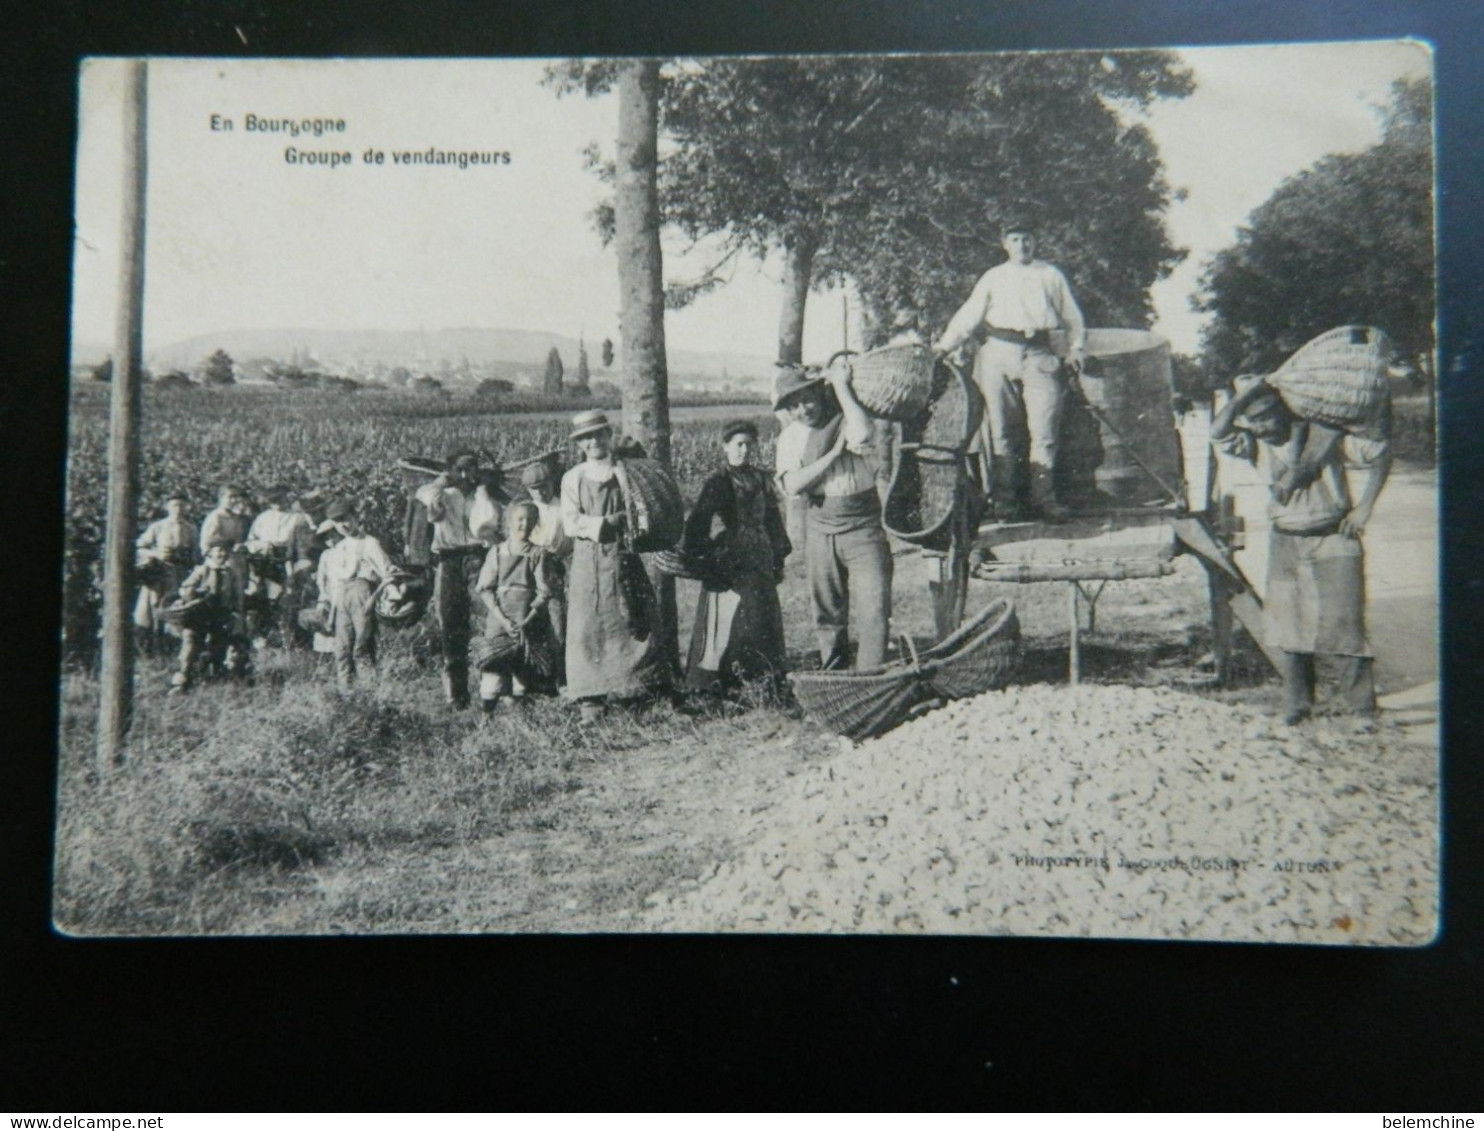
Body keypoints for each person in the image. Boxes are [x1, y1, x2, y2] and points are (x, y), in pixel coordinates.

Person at [1210, 378, 1392, 725]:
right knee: (1287, 622)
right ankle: (1298, 704)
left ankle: (1361, 709)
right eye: (1254, 420)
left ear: (1284, 412)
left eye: (1267, 416)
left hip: (1334, 536)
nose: (1262, 426)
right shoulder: (1253, 445)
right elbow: (1218, 431)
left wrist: (1365, 507)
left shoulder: (1324, 439)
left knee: (1344, 621)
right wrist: (1246, 393)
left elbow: (1380, 452)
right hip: (1286, 539)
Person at [933, 217, 1087, 521]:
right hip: (998, 353)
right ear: (1005, 244)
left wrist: (1077, 346)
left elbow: (1072, 316)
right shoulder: (993, 277)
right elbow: (968, 316)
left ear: (1035, 241)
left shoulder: (1050, 274)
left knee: (1044, 431)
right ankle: (1004, 501)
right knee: (1001, 430)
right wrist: (943, 346)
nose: (1022, 245)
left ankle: (1044, 499)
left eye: (1027, 238)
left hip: (1039, 353)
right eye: (1015, 239)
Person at [774, 363, 893, 671]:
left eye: (808, 399)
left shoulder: (846, 419)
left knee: (874, 604)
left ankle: (871, 676)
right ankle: (835, 676)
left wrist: (841, 385)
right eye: (794, 404)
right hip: (820, 525)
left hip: (863, 525)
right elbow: (793, 485)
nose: (803, 409)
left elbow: (864, 434)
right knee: (827, 609)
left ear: (820, 394)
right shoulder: (791, 437)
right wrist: (832, 456)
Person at [560, 409, 670, 721]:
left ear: (609, 436)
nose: (593, 441)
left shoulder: (625, 472)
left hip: (624, 555)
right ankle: (590, 697)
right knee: (587, 625)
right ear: (580, 444)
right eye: (586, 437)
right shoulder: (574, 478)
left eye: (599, 435)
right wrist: (604, 522)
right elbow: (570, 523)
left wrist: (634, 523)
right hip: (589, 559)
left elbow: (643, 506)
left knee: (634, 618)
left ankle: (637, 688)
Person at [682, 419, 791, 692]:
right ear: (725, 447)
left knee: (759, 614)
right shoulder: (717, 483)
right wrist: (707, 556)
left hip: (760, 555)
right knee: (729, 615)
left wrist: (778, 554)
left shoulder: (762, 480)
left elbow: (773, 520)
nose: (744, 450)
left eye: (748, 444)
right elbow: (698, 523)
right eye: (738, 444)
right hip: (730, 559)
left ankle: (762, 678)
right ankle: (717, 682)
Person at [415, 449, 487, 708]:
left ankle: (494, 687)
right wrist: (441, 482)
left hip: (479, 558)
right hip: (449, 560)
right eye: (460, 469)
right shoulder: (442, 494)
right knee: (451, 625)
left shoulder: (482, 494)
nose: (466, 475)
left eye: (471, 468)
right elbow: (423, 496)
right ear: (451, 472)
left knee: (488, 620)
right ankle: (456, 695)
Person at [474, 500, 557, 713]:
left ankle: (522, 717)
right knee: (494, 667)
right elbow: (485, 588)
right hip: (500, 618)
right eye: (520, 519)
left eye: (530, 520)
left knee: (526, 668)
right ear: (509, 522)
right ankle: (487, 718)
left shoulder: (538, 553)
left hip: (528, 618)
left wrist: (527, 620)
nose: (524, 525)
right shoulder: (497, 552)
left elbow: (544, 591)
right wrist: (503, 619)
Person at [312, 498, 395, 691]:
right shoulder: (340, 548)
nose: (344, 525)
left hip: (363, 594)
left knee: (362, 647)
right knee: (341, 649)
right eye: (338, 522)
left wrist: (376, 599)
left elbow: (388, 572)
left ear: (356, 517)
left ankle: (371, 693)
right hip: (342, 598)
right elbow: (335, 583)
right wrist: (331, 609)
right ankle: (346, 693)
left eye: (346, 519)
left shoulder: (370, 543)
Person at [170, 537, 247, 693]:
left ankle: (213, 675)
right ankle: (182, 678)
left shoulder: (230, 573)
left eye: (225, 551)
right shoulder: (202, 570)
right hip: (199, 614)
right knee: (191, 641)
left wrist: (238, 613)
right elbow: (185, 589)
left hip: (220, 614)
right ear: (210, 553)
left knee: (219, 644)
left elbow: (237, 596)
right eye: (218, 551)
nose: (221, 554)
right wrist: (193, 593)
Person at [244, 484, 315, 646]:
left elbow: (304, 544)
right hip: (264, 562)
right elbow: (250, 541)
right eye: (273, 501)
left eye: (280, 499)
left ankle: (287, 636)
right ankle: (259, 634)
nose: (277, 504)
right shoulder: (263, 518)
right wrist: (263, 546)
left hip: (287, 562)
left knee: (287, 599)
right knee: (262, 597)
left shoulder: (298, 517)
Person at [520, 460, 571, 672]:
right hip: (531, 568)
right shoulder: (527, 510)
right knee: (531, 618)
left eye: (544, 487)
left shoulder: (563, 507)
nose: (540, 493)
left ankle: (561, 675)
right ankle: (538, 675)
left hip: (559, 566)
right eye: (534, 489)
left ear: (552, 484)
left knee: (558, 620)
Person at [133, 491, 197, 647]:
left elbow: (196, 553)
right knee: (153, 608)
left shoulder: (191, 528)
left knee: (175, 607)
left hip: (180, 573)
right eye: (175, 505)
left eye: (182, 505)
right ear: (168, 507)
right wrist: (156, 553)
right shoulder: (158, 526)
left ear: (187, 507)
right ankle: (150, 644)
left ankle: (170, 644)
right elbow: (139, 547)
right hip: (159, 573)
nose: (179, 509)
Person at [199, 483, 251, 586]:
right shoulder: (216, 517)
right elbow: (208, 542)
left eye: (236, 497)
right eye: (230, 497)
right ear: (221, 498)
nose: (234, 500)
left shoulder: (237, 518)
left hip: (236, 561)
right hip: (219, 562)